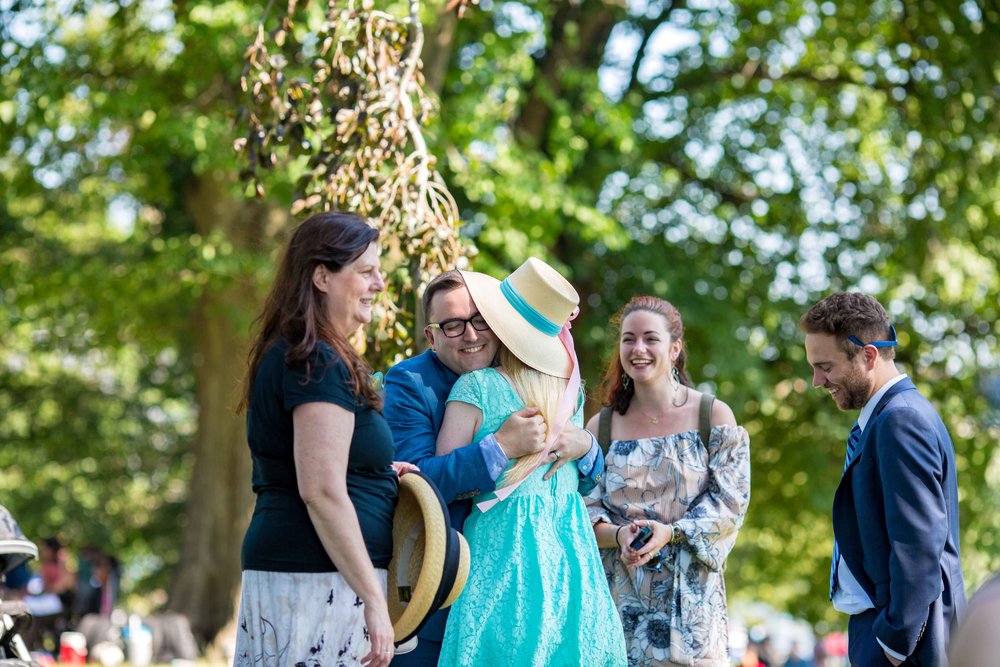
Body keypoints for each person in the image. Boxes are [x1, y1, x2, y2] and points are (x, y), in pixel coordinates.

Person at [383, 268, 605, 665]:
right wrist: (499, 446)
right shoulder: (410, 382)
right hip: (437, 585)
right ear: (431, 336)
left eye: (479, 320)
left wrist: (586, 446)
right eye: (453, 326)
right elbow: (416, 482)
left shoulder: (540, 380)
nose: (470, 335)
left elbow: (573, 482)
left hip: (532, 581)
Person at [233, 212, 412, 667]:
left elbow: (322, 466)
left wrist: (375, 473)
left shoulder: (308, 354)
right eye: (366, 271)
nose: (380, 284)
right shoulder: (317, 360)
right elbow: (321, 489)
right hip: (317, 580)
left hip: (314, 576)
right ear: (322, 277)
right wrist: (373, 598)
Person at [433, 257, 625, 666]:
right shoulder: (568, 394)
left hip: (503, 552)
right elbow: (581, 483)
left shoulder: (477, 387)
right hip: (569, 552)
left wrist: (587, 447)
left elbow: (439, 475)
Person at [800, 292, 966, 667]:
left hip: (907, 644)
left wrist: (892, 645)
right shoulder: (886, 418)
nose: (816, 381)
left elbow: (919, 546)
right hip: (887, 633)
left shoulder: (900, 420)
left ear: (869, 355)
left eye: (825, 366)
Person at [586, 295, 751, 667]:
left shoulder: (713, 415)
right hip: (618, 607)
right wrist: (619, 536)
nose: (637, 348)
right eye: (628, 339)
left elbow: (730, 507)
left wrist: (670, 532)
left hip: (693, 615)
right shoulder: (601, 427)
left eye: (650, 338)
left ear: (675, 348)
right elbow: (581, 513)